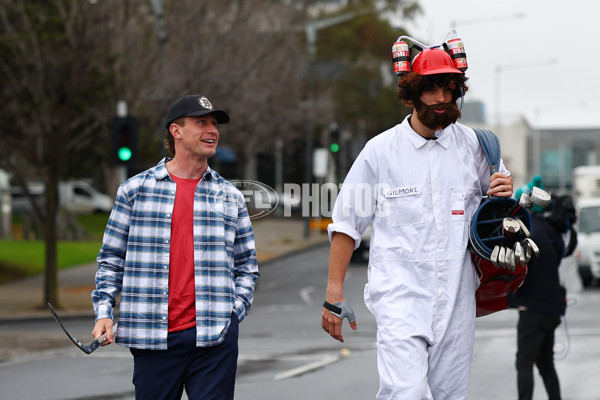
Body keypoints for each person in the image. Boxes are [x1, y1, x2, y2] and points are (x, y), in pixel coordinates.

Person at [320, 44, 513, 399]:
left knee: (449, 395)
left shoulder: (475, 146)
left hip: (458, 299)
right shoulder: (380, 152)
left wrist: (503, 190)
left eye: (449, 88)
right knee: (406, 392)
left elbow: (500, 211)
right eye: (431, 88)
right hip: (400, 298)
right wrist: (333, 292)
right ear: (411, 96)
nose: (442, 97)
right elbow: (347, 224)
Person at [91, 94, 259, 400]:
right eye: (201, 123)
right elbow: (111, 259)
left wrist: (232, 314)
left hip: (214, 339)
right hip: (152, 338)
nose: (212, 130)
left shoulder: (230, 196)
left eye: (214, 123)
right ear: (176, 131)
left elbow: (247, 265)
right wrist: (103, 312)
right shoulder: (134, 191)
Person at [510, 192, 576, 400]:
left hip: (533, 309)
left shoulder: (529, 230)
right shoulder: (551, 231)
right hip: (552, 308)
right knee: (546, 363)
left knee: (524, 362)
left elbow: (518, 267)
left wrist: (516, 300)